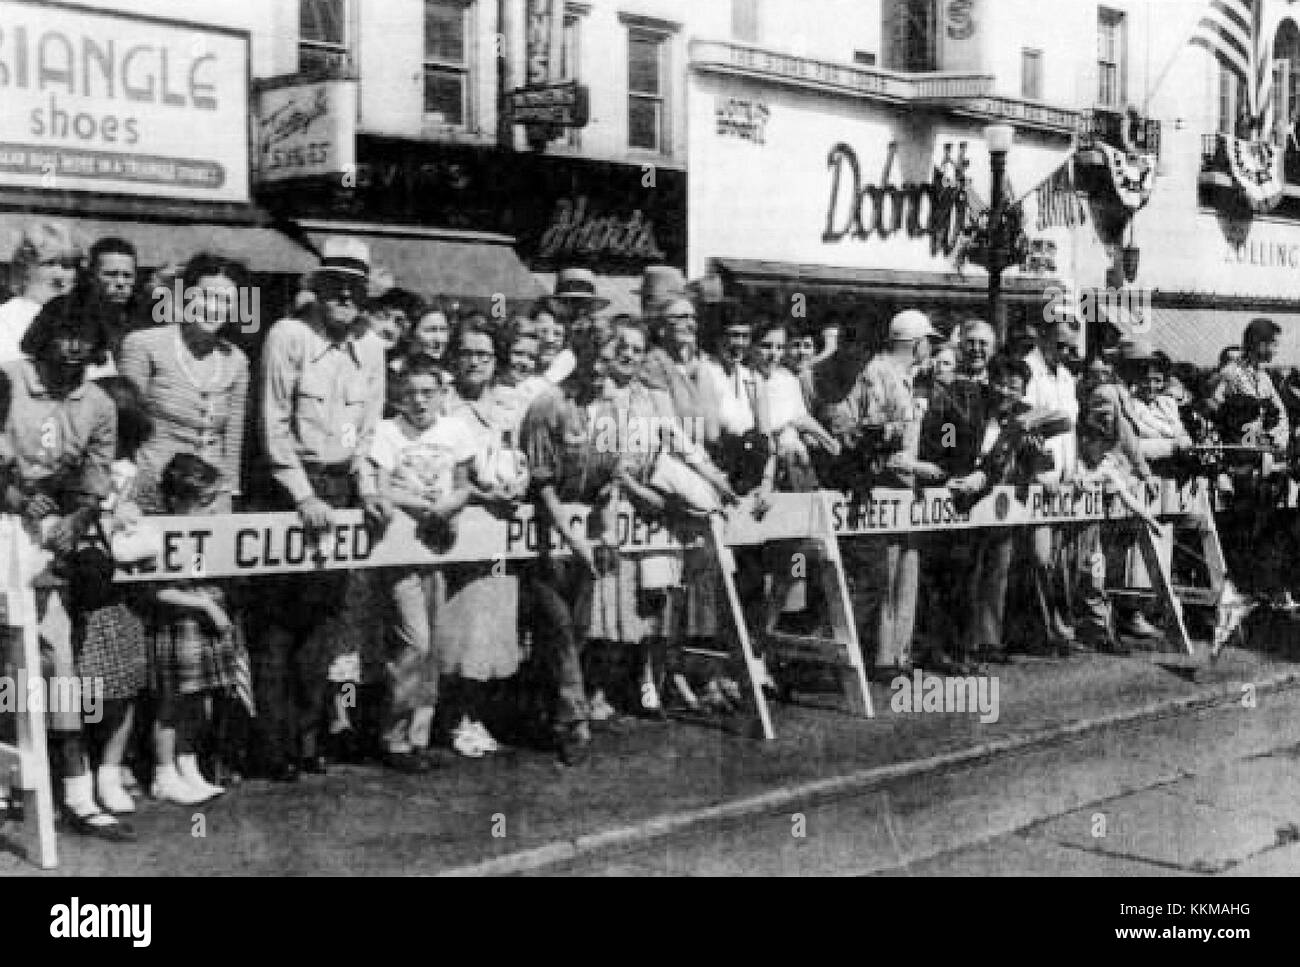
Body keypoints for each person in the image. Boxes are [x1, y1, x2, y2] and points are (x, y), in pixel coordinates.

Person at [255, 238, 388, 780]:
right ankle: (270, 747)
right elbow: (273, 422)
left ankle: (309, 739)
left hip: (342, 490)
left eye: (355, 288)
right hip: (291, 489)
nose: (345, 296)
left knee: (325, 622)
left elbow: (370, 429)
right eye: (335, 285)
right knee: (278, 625)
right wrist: (301, 494)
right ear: (318, 288)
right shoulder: (289, 335)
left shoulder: (373, 347)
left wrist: (368, 485)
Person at [2, 306, 124, 838]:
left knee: (56, 655)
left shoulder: (97, 401)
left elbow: (96, 474)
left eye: (84, 338)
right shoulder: (8, 379)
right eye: (64, 336)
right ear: (45, 337)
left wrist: (77, 518)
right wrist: (16, 498)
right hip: (6, 515)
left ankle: (76, 790)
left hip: (48, 531)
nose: (72, 348)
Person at [363, 354, 479, 770]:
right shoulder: (387, 432)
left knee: (433, 647)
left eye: (427, 393)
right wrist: (420, 505)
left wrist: (447, 507)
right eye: (410, 393)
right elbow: (380, 490)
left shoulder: (456, 430)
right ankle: (391, 735)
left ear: (442, 394)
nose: (419, 401)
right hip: (399, 550)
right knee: (415, 642)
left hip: (438, 548)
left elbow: (467, 485)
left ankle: (418, 736)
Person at [435, 319, 527, 756]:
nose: (475, 362)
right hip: (459, 527)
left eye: (484, 355)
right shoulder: (443, 404)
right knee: (460, 628)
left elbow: (517, 456)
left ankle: (476, 716)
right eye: (467, 353)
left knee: (491, 628)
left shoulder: (505, 405)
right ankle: (452, 721)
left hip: (499, 529)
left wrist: (514, 484)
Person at [71, 376, 154, 816]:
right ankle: (79, 774)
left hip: (125, 595)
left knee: (123, 687)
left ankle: (111, 769)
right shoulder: (74, 468)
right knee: (82, 690)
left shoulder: (139, 473)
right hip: (84, 591)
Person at [118, 253, 251, 515]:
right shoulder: (144, 344)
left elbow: (232, 438)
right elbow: (123, 427)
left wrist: (228, 493)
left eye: (225, 300)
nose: (213, 308)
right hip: (151, 491)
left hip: (208, 499)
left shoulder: (236, 360)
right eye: (205, 296)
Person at [147, 454, 242, 803]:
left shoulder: (211, 530)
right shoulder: (159, 532)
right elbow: (157, 588)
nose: (212, 509)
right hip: (178, 622)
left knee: (197, 700)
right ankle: (163, 773)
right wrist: (203, 604)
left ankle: (188, 766)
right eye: (203, 502)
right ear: (175, 501)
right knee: (171, 702)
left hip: (206, 622)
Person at [858, 309, 947, 675]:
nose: (931, 348)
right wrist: (916, 467)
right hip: (884, 487)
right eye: (929, 341)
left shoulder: (909, 379)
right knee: (886, 575)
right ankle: (882, 656)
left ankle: (899, 654)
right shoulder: (878, 373)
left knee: (907, 572)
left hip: (907, 488)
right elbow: (874, 440)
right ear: (916, 342)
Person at [1008, 317, 1080, 655]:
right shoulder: (1028, 370)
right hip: (1036, 480)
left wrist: (1073, 470)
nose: (1064, 352)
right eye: (1059, 344)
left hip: (1063, 481)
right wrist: (1039, 475)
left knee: (1057, 560)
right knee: (1038, 558)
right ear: (1044, 336)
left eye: (1070, 347)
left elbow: (1071, 430)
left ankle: (1056, 630)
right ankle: (1040, 633)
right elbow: (1025, 427)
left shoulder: (1065, 376)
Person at [0, 221, 82, 363]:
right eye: (49, 264)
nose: (59, 275)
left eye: (67, 266)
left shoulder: (83, 320)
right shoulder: (6, 320)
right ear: (25, 268)